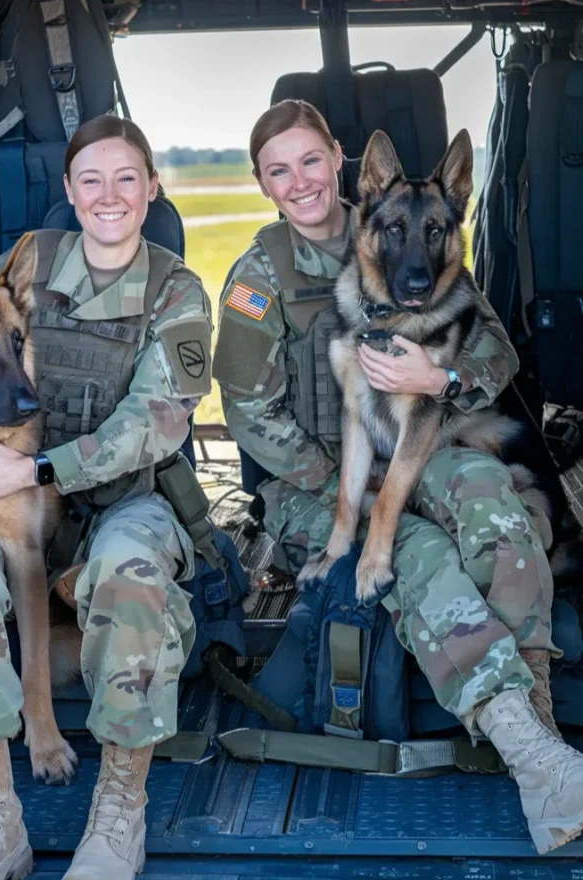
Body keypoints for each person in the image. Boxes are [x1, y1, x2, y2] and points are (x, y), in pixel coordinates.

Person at [213, 98, 583, 856]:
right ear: (262, 183)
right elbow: (251, 418)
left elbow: (497, 356)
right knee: (418, 554)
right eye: (278, 170)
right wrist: (354, 490)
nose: (301, 181)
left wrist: (439, 372)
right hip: (314, 484)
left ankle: (537, 713)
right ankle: (531, 753)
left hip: (421, 436)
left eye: (310, 160)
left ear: (342, 160)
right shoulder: (258, 276)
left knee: (492, 505)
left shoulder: (409, 224)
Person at [0, 114, 213, 880]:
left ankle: (118, 811)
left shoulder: (176, 290)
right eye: (91, 179)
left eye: (126, 178)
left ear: (152, 187)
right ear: (69, 192)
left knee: (130, 567)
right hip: (8, 494)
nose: (109, 196)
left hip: (121, 501)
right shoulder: (18, 272)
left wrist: (35, 471)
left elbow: (156, 424)